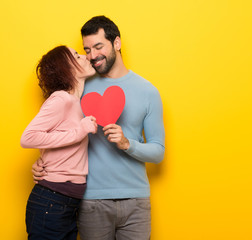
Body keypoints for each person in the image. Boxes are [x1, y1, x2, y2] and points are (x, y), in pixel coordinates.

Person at [33, 16, 165, 240]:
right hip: (91, 201)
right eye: (87, 49)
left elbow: (158, 151)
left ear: (117, 43)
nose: (92, 55)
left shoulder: (148, 91)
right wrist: (44, 163)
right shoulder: (80, 88)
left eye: (98, 46)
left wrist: (127, 144)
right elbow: (57, 129)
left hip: (136, 203)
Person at [20, 45, 98, 240]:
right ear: (66, 67)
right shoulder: (61, 99)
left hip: (68, 203)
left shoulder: (77, 103)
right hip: (52, 201)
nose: (84, 57)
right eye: (76, 56)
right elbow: (28, 138)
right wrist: (79, 131)